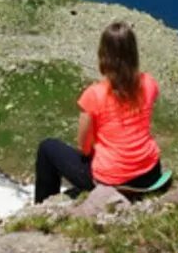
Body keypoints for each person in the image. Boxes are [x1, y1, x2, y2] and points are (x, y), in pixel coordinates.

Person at [34, 20, 166, 204]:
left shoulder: (94, 95)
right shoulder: (149, 83)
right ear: (133, 53)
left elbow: (84, 146)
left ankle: (42, 207)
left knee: (47, 148)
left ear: (104, 55)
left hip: (113, 179)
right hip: (150, 172)